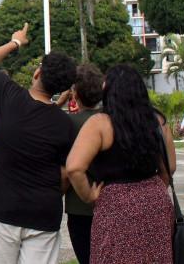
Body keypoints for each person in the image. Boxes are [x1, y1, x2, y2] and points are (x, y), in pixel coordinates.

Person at [0, 23, 76, 264]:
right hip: (43, 215)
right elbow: (65, 174)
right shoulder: (65, 125)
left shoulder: (7, 94)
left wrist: (16, 41)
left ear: (37, 73)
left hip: (2, 211)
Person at [67, 65, 176, 264]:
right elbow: (170, 167)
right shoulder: (157, 120)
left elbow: (74, 167)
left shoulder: (100, 123)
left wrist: (88, 195)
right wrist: (153, 190)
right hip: (155, 200)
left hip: (116, 204)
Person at [64, 64, 104, 264]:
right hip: (110, 202)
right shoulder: (110, 119)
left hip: (79, 204)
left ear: (75, 92)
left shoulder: (69, 123)